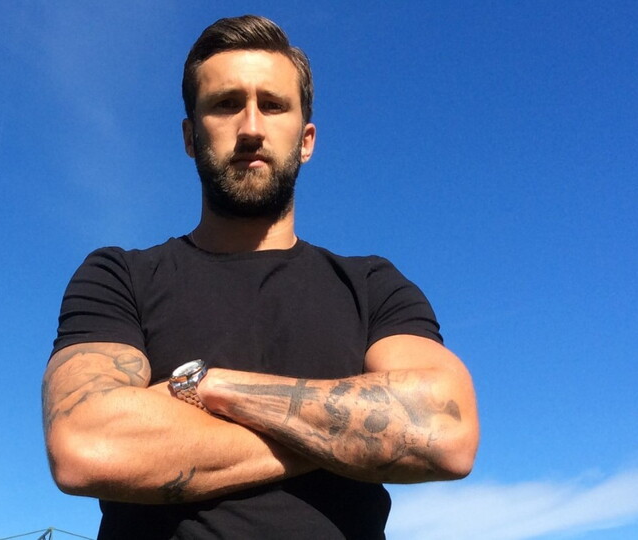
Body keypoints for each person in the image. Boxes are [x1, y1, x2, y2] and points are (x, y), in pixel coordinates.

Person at [42, 14, 479, 539]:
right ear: (190, 135)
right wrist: (347, 434)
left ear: (306, 139)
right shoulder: (120, 277)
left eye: (273, 105)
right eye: (226, 104)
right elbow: (86, 445)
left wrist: (207, 386)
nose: (251, 128)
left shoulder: (372, 287)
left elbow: (445, 431)